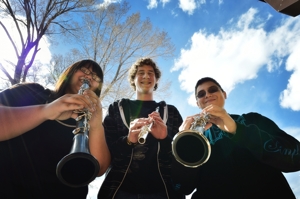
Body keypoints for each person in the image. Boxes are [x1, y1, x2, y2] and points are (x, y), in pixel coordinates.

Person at [171, 77, 300, 199]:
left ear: (224, 94)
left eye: (213, 89)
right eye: (201, 94)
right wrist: (184, 145)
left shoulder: (253, 120)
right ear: (197, 103)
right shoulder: (192, 137)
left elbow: (296, 157)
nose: (207, 95)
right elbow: (182, 187)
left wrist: (237, 130)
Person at [0, 59, 111, 198]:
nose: (89, 77)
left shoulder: (96, 123)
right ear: (69, 73)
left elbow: (99, 169)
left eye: (95, 78)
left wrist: (95, 125)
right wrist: (46, 111)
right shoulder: (33, 91)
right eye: (84, 70)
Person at [98, 57, 185, 199]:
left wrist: (165, 139)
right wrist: (128, 141)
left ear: (156, 80)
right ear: (133, 79)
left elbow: (181, 157)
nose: (146, 76)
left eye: (151, 73)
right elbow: (106, 151)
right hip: (119, 192)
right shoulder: (116, 108)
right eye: (141, 72)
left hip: (164, 193)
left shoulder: (171, 112)